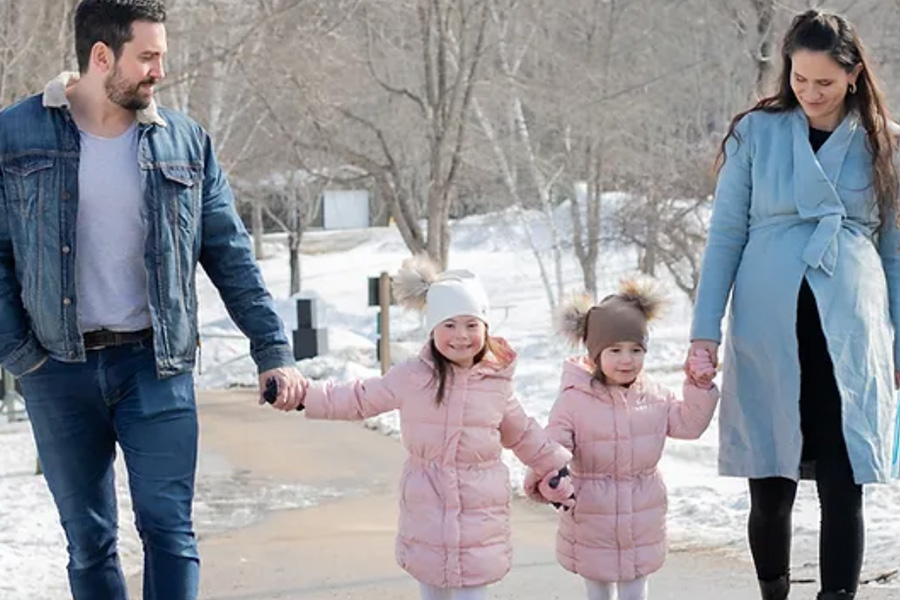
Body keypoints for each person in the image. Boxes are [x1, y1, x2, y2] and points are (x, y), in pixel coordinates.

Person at [0, 1, 304, 598]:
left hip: (155, 366)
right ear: (101, 56)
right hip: (56, 368)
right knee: (88, 544)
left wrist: (272, 347)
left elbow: (230, 253)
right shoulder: (14, 136)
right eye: (148, 56)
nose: (160, 70)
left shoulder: (186, 143)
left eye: (161, 55)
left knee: (170, 531)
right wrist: (20, 356)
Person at [687, 9, 900, 600]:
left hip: (849, 328)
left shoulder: (885, 141)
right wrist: (704, 332)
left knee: (843, 477)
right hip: (767, 318)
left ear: (853, 75)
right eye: (799, 79)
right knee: (770, 475)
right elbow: (726, 233)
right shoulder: (758, 132)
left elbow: (896, 253)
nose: (810, 92)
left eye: (825, 82)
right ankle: (773, 592)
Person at [287, 256, 573, 600]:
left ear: (485, 328)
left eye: (471, 324)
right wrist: (305, 396)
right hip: (427, 514)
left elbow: (523, 433)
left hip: (478, 518)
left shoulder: (495, 383)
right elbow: (360, 398)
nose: (461, 336)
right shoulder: (413, 376)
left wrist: (555, 468)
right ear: (433, 329)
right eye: (449, 325)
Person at [524, 281, 719, 600]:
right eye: (615, 350)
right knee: (599, 585)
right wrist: (547, 478)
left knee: (635, 582)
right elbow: (554, 447)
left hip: (642, 510)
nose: (626, 360)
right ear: (595, 354)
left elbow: (689, 425)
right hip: (592, 512)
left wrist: (698, 386)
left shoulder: (654, 395)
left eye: (636, 350)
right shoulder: (574, 400)